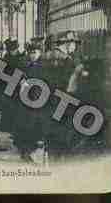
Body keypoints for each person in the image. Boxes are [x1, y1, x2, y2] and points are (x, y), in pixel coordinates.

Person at [41, 30, 82, 163]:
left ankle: (50, 159)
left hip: (46, 100)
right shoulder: (68, 60)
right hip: (62, 101)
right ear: (68, 43)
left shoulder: (44, 56)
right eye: (75, 44)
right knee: (61, 133)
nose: (75, 47)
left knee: (49, 132)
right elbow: (70, 86)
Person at [13, 43, 45, 163]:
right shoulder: (25, 66)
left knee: (33, 125)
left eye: (35, 53)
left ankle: (29, 151)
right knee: (24, 124)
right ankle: (24, 150)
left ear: (40, 53)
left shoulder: (43, 67)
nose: (32, 55)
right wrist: (21, 82)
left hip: (36, 99)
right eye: (31, 53)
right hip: (24, 100)